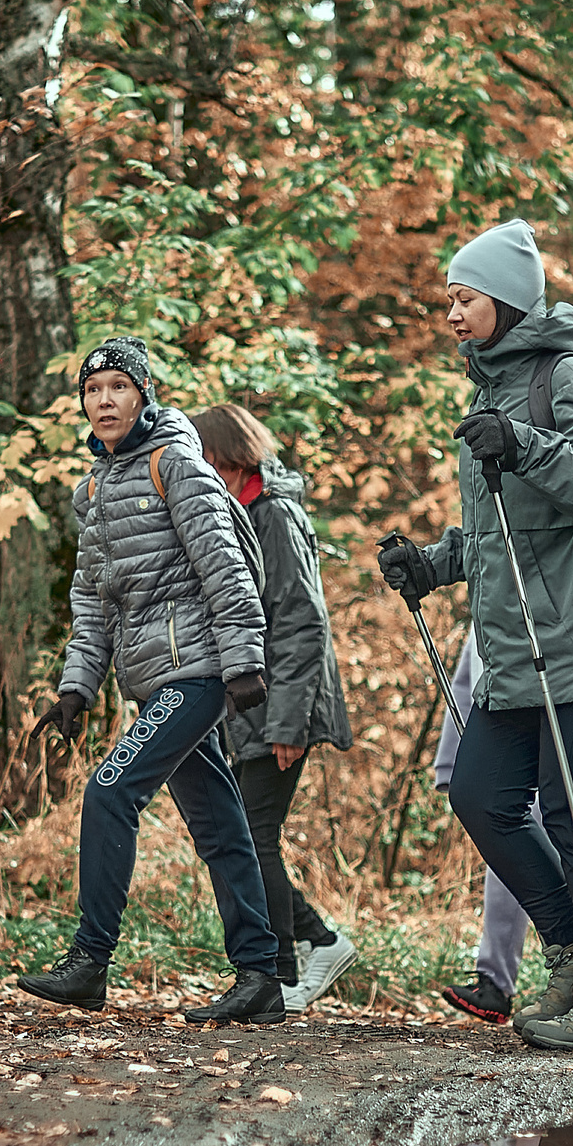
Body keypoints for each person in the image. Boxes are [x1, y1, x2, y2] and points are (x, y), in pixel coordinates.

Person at [376, 219, 573, 1054]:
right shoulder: (490, 393)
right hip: (521, 650)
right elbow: (499, 531)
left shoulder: (564, 377)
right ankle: (572, 950)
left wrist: (525, 444)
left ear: (507, 302)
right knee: (480, 793)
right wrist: (431, 563)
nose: (451, 313)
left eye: (465, 298)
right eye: (448, 299)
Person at [13, 337, 284, 1025]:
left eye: (118, 387)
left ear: (143, 395)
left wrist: (244, 658)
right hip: (151, 678)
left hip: (195, 670)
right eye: (93, 389)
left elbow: (224, 565)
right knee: (220, 824)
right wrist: (77, 686)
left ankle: (90, 962)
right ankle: (260, 977)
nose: (104, 400)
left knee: (110, 792)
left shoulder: (177, 465)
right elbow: (93, 600)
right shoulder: (95, 489)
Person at [188, 402, 358, 1012]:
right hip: (249, 710)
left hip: (286, 708)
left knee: (255, 835)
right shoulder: (236, 510)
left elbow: (302, 624)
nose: (201, 467)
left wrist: (286, 722)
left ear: (232, 456)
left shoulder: (275, 514)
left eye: (208, 457)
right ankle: (315, 941)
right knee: (250, 835)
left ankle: (285, 969)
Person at [433, 635, 535, 1025]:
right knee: (504, 861)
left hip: (548, 738)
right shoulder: (483, 593)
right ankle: (494, 982)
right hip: (501, 746)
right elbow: (462, 682)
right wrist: (450, 763)